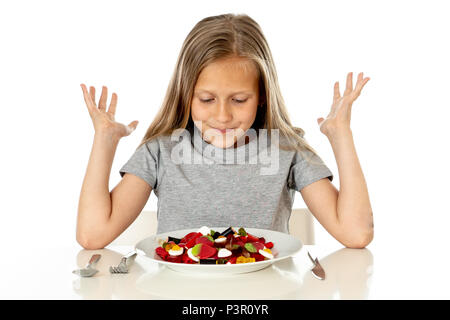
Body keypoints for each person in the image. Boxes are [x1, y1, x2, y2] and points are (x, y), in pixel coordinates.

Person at [76, 13, 373, 250]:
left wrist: (340, 135)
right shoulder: (161, 151)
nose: (222, 115)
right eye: (207, 99)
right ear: (186, 95)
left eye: (239, 100)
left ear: (261, 98)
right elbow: (92, 236)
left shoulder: (287, 150)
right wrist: (105, 140)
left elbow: (356, 234)